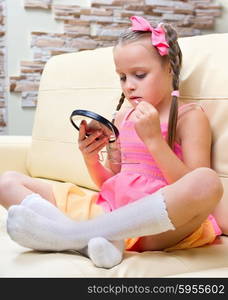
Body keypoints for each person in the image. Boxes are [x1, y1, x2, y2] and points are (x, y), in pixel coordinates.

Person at [2, 16, 223, 269]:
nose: (129, 86)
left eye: (139, 75)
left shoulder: (189, 116)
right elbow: (113, 184)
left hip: (158, 226)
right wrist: (90, 158)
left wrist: (154, 141)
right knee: (7, 182)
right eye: (122, 77)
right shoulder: (122, 116)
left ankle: (71, 235)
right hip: (111, 212)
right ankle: (91, 240)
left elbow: (193, 185)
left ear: (170, 69)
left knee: (207, 181)